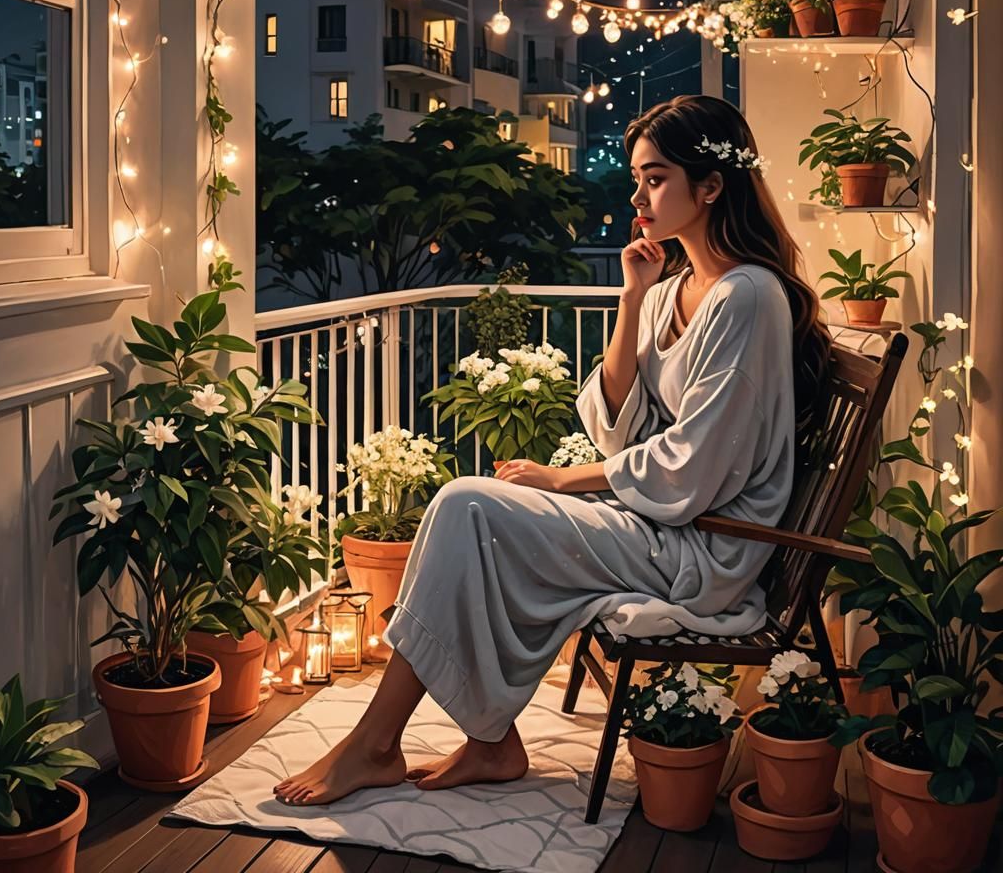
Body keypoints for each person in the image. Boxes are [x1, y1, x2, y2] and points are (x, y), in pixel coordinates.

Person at [273, 94, 831, 806]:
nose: (637, 197)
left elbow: (693, 465)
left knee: (467, 505)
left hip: (704, 548)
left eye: (655, 178)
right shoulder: (677, 286)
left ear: (712, 185)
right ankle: (475, 742)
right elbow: (619, 428)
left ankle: (384, 745)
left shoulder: (745, 297)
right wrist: (631, 300)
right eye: (637, 178)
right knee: (466, 511)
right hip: (664, 523)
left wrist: (564, 480)